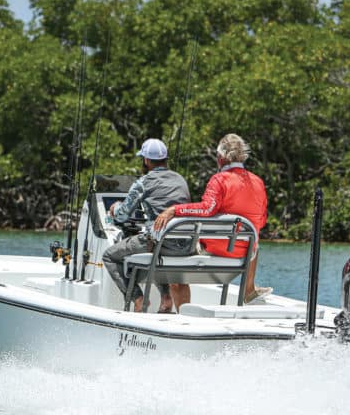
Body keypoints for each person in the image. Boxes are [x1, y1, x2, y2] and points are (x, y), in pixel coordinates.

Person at [153, 133, 270, 306]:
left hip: (216, 249)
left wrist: (173, 210)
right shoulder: (258, 182)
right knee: (254, 239)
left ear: (221, 158)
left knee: (172, 246)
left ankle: (175, 307)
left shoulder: (219, 180)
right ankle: (249, 290)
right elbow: (262, 220)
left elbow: (206, 208)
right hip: (246, 253)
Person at [103, 138, 191, 313]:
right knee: (155, 247)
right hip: (185, 244)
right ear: (165, 159)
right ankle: (166, 299)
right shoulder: (180, 179)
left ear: (146, 160)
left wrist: (114, 209)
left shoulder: (143, 182)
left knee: (109, 256)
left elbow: (123, 215)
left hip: (161, 244)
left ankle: (137, 298)